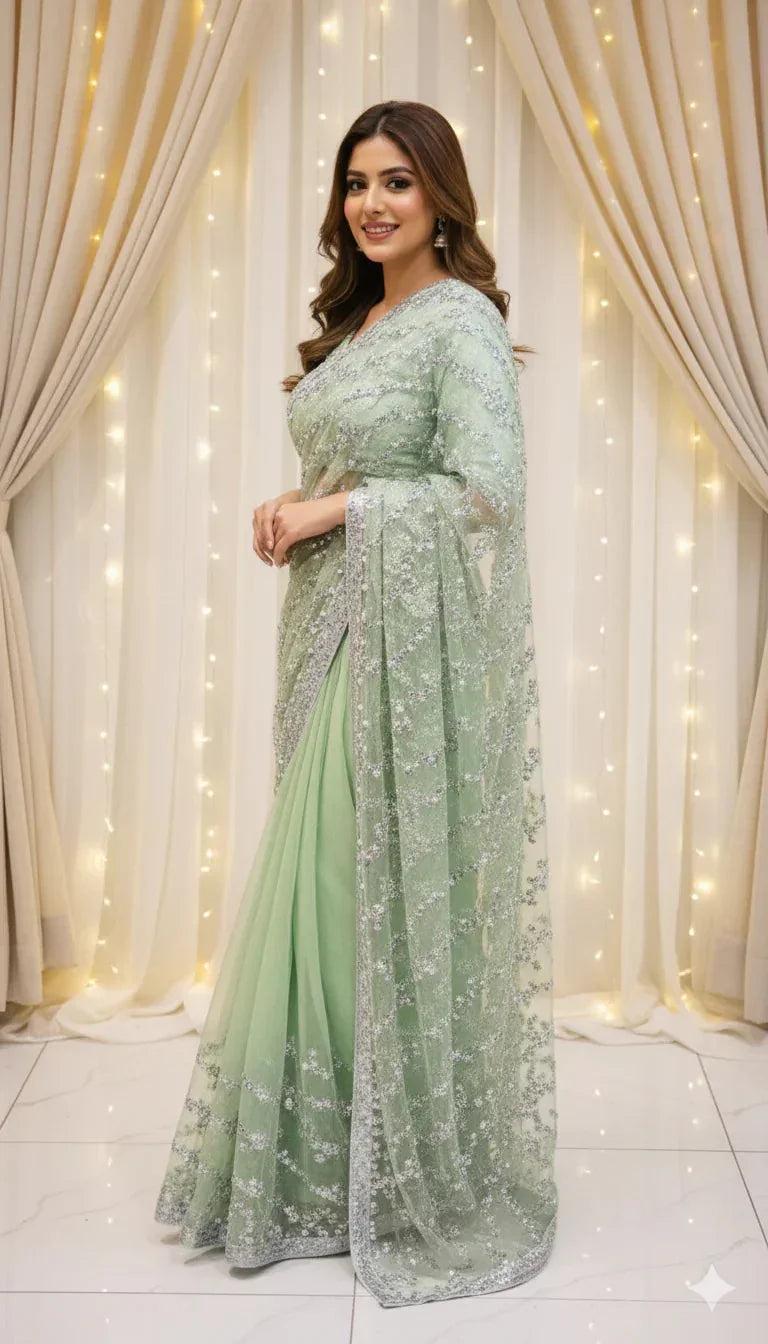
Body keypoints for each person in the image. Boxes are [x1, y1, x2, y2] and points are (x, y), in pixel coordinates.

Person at [154, 99, 558, 1309]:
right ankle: (323, 1162)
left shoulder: (458, 324)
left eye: (398, 181)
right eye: (356, 183)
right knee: (320, 895)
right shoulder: (362, 325)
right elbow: (369, 469)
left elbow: (490, 490)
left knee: (346, 890)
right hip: (329, 638)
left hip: (402, 658)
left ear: (442, 194)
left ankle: (392, 1164)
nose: (373, 203)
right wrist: (299, 501)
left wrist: (342, 512)